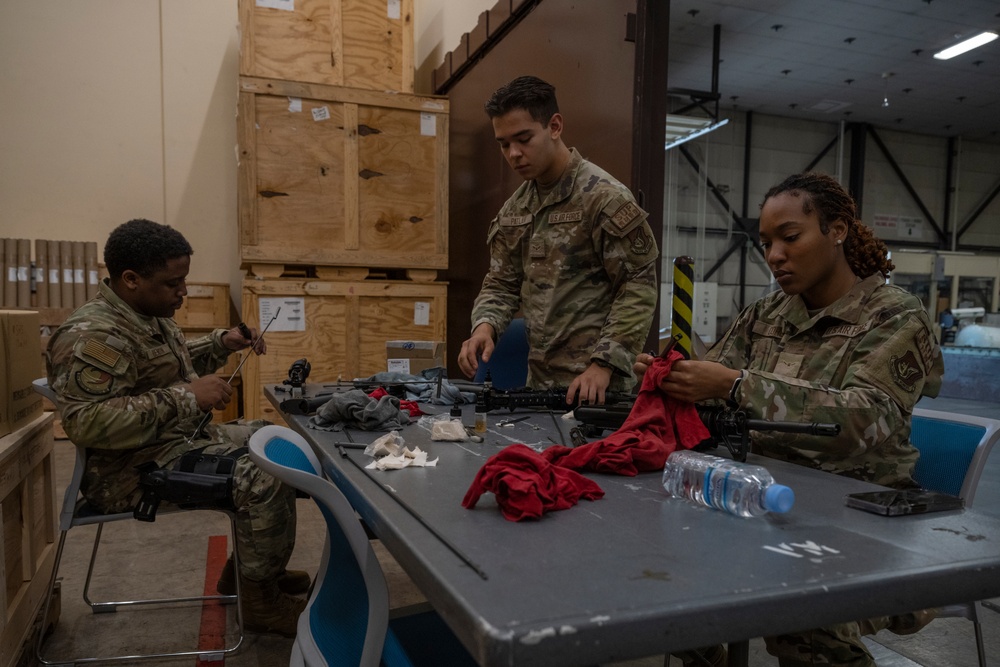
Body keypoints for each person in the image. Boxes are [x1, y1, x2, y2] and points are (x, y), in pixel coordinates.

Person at [635, 172, 944, 667]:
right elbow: (713, 396)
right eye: (765, 243)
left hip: (863, 518)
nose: (774, 254)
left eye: (790, 237)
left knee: (805, 620)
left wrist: (735, 384)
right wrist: (675, 380)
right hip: (771, 502)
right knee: (659, 572)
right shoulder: (768, 315)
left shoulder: (895, 316)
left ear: (837, 229)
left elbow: (865, 421)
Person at [46, 219, 308, 637]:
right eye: (174, 283)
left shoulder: (144, 314)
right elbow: (85, 422)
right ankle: (259, 602)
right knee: (262, 474)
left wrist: (221, 343)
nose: (183, 292)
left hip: (168, 442)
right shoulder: (94, 334)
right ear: (131, 279)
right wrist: (188, 396)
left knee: (273, 439)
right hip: (128, 472)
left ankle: (248, 573)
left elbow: (167, 364)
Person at [457, 75, 659, 405]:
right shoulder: (516, 210)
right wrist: (484, 327)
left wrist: (604, 364)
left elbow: (638, 285)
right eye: (504, 144)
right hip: (539, 387)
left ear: (554, 126)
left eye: (523, 139)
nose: (514, 153)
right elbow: (501, 284)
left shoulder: (603, 199)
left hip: (600, 389)